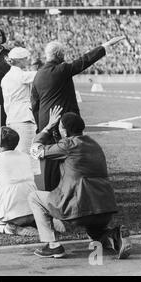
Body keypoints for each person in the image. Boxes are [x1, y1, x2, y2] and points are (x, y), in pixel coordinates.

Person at [28, 106, 131, 259]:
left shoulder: (68, 145)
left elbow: (35, 151)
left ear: (65, 130)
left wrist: (49, 126)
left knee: (34, 197)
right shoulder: (94, 145)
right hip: (104, 209)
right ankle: (114, 235)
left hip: (80, 209)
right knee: (95, 234)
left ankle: (53, 245)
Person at [30, 36, 125, 191]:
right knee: (69, 158)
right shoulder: (62, 69)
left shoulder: (38, 75)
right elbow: (85, 60)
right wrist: (105, 45)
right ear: (60, 56)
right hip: (62, 122)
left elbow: (34, 104)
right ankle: (71, 192)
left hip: (45, 122)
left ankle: (51, 194)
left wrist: (42, 125)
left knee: (49, 161)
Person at [0, 127, 38, 236]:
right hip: (34, 212)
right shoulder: (26, 157)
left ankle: (9, 229)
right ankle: (40, 223)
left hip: (13, 216)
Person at [1, 47, 39, 175]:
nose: (27, 61)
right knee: (27, 155)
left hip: (12, 118)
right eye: (25, 59)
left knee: (16, 156)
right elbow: (42, 75)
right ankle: (28, 189)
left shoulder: (6, 77)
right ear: (20, 60)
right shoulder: (20, 75)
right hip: (24, 118)